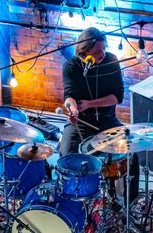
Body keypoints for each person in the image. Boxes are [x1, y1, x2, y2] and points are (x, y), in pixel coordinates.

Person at [59, 27, 139, 203]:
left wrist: (89, 104)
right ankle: (72, 201)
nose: (102, 54)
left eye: (103, 49)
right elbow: (69, 96)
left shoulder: (111, 61)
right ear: (84, 51)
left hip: (107, 120)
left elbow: (117, 97)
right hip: (81, 122)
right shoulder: (71, 66)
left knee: (131, 153)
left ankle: (130, 203)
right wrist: (73, 109)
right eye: (97, 52)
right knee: (66, 155)